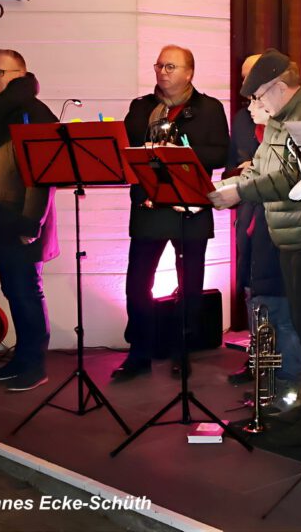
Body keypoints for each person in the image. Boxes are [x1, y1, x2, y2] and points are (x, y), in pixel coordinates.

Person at [209, 49, 301, 431]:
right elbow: (262, 164)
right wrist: (227, 186)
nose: (255, 106)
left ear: (278, 87)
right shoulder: (283, 114)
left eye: (258, 96)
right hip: (292, 229)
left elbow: (295, 177)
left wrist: (240, 193)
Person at [112, 44, 230, 381]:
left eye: (171, 66)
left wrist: (178, 148)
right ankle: (139, 353)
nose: (163, 72)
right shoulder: (141, 108)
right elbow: (125, 148)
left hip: (191, 206)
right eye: (160, 65)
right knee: (137, 284)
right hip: (149, 206)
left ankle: (183, 352)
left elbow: (220, 152)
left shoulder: (209, 108)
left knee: (190, 287)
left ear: (189, 73)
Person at [0, 48, 59, 392]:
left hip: (24, 218)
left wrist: (31, 225)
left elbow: (44, 174)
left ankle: (34, 365)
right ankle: (21, 358)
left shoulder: (32, 113)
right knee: (13, 289)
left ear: (20, 76)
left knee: (26, 291)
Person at [226, 54, 301, 408]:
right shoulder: (247, 119)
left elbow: (293, 173)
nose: (249, 97)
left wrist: (257, 171)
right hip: (253, 223)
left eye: (256, 89)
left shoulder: (294, 120)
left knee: (281, 309)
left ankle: (285, 384)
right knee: (256, 300)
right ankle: (262, 372)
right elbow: (237, 161)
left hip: (283, 225)